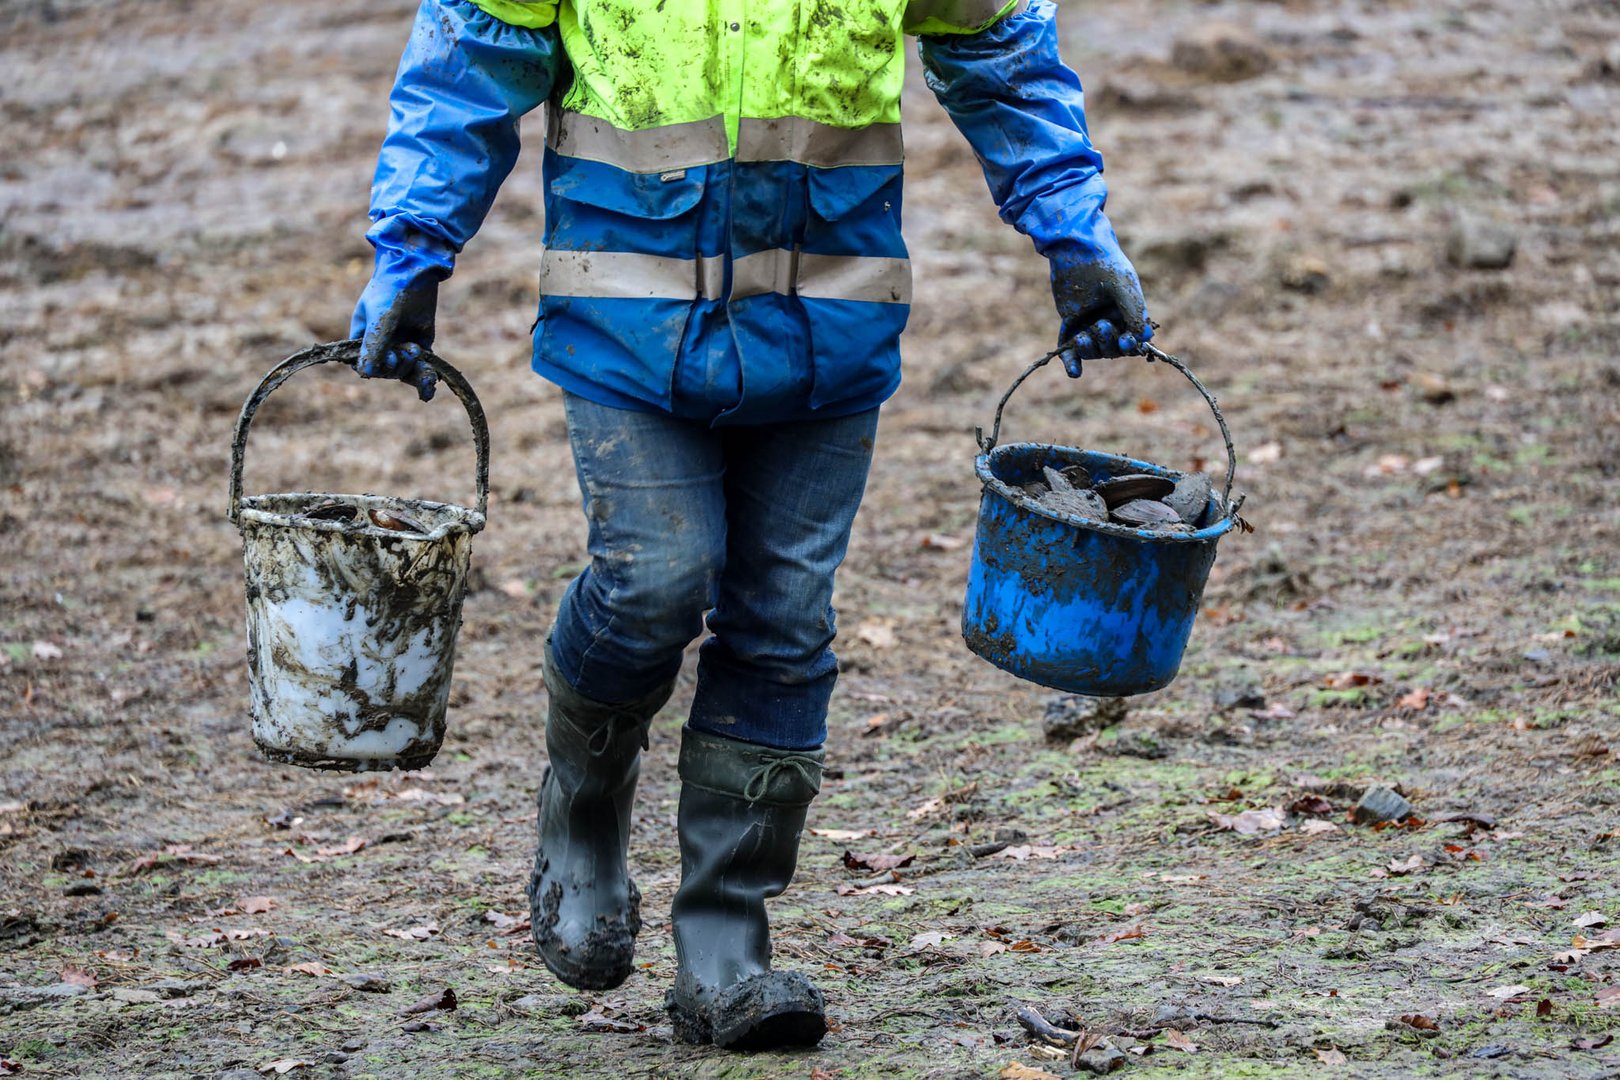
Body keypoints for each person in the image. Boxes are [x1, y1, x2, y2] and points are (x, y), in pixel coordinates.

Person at [350, 0, 1151, 1052]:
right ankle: (585, 808)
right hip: (624, 325)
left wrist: (1075, 235)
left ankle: (726, 948)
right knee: (652, 582)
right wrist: (411, 250)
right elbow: (469, 67)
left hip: (832, 324)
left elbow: (999, 51)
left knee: (783, 622)